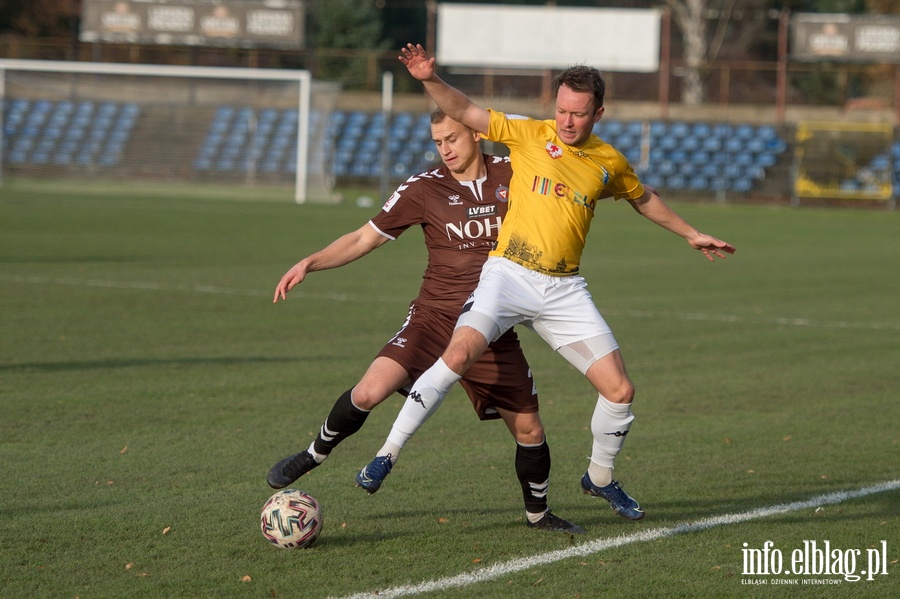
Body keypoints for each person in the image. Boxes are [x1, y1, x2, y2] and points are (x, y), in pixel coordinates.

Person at [356, 44, 736, 522]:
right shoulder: (529, 134)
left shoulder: (608, 161)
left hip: (563, 289)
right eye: (561, 110)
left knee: (619, 391)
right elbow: (464, 110)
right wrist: (430, 78)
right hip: (508, 274)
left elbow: (642, 197)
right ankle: (387, 454)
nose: (567, 122)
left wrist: (691, 233)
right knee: (457, 354)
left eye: (578, 114)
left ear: (599, 112)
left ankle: (599, 478)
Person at [267, 110, 583, 534]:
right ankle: (313, 454)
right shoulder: (423, 188)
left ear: (477, 132)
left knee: (529, 428)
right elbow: (365, 237)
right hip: (433, 318)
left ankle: (538, 515)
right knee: (368, 391)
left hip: (492, 325)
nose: (445, 149)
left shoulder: (516, 170)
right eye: (438, 142)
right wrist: (311, 262)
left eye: (452, 138)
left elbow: (562, 161)